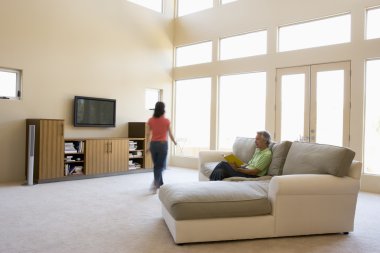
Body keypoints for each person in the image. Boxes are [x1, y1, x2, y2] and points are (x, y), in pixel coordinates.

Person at [146, 102, 177, 193]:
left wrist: (147, 146)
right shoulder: (167, 121)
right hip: (163, 145)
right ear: (163, 109)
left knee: (157, 166)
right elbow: (170, 134)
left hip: (153, 145)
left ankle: (160, 183)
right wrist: (174, 141)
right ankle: (155, 184)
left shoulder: (150, 120)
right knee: (160, 166)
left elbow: (148, 134)